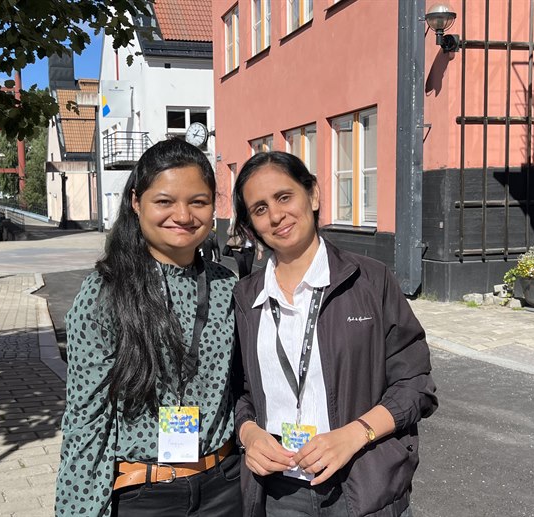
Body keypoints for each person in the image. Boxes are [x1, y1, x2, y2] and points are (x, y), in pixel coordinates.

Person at [231, 151, 438, 517]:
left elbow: (415, 383)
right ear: (251, 225)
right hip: (279, 493)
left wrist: (354, 435)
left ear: (312, 195)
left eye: (284, 197)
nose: (276, 215)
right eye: (260, 209)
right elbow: (240, 391)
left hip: (361, 485)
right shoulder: (246, 298)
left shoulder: (370, 281)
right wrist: (249, 433)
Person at [55, 139, 242, 516]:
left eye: (198, 202)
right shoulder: (106, 292)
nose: (184, 215)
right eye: (165, 201)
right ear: (136, 203)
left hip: (224, 486)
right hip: (146, 495)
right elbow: (86, 417)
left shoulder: (228, 285)